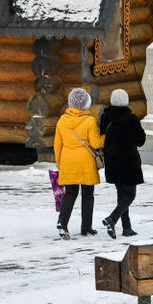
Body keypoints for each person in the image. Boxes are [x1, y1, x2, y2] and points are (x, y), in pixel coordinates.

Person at [54, 87, 105, 240]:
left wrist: (60, 163)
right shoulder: (89, 120)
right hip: (85, 162)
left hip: (67, 160)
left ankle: (62, 223)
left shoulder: (62, 120)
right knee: (88, 194)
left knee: (70, 193)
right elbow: (95, 143)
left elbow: (57, 145)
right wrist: (105, 137)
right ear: (86, 103)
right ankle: (86, 227)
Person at [100, 88, 146, 239]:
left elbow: (102, 136)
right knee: (130, 194)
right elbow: (141, 140)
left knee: (121, 194)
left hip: (112, 161)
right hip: (128, 162)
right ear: (126, 101)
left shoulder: (106, 117)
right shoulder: (131, 119)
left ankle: (127, 228)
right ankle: (112, 219)